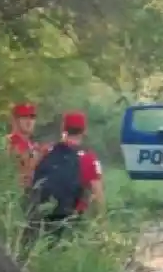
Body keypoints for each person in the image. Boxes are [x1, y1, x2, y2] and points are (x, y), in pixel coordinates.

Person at [26, 110, 104, 240]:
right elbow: (98, 194)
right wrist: (102, 222)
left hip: (39, 217)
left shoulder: (45, 151)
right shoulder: (89, 158)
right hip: (69, 222)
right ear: (84, 131)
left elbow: (30, 179)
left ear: (64, 128)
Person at [7, 103, 44, 187]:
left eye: (32, 117)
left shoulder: (35, 147)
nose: (29, 121)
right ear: (15, 120)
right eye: (24, 117)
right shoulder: (8, 143)